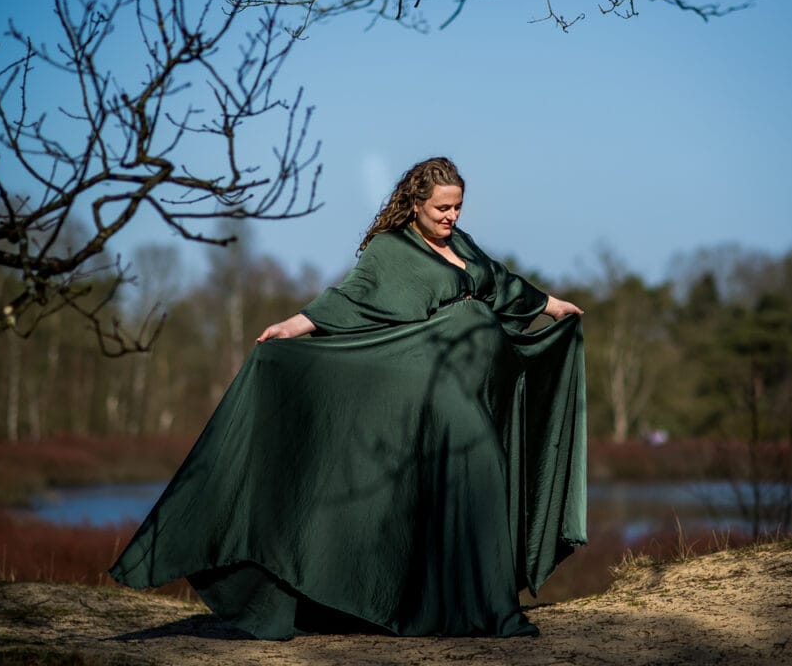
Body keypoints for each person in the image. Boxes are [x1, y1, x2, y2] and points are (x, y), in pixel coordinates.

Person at [109, 157, 587, 640]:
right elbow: (352, 296)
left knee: (465, 484)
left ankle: (454, 605)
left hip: (475, 381)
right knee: (481, 465)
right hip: (429, 379)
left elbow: (501, 283)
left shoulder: (461, 244)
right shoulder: (391, 248)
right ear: (416, 204)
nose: (451, 217)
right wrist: (296, 325)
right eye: (442, 208)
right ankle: (498, 614)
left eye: (457, 207)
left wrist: (551, 304)